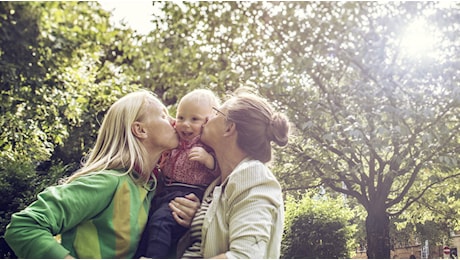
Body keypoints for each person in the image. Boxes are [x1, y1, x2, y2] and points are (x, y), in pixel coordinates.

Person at [4, 89, 200, 259]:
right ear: (140, 130)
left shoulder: (149, 188)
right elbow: (23, 226)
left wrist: (190, 219)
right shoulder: (108, 182)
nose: (175, 122)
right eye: (164, 115)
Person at [177, 87, 290, 258]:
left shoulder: (254, 176)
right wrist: (198, 217)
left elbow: (244, 257)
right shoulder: (218, 184)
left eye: (215, 113)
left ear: (229, 128)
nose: (207, 118)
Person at [135, 89, 221, 258]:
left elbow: (220, 171)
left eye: (194, 119)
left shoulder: (206, 145)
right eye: (181, 117)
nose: (185, 124)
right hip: (167, 191)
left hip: (188, 194)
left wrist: (209, 160)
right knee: (148, 225)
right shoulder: (175, 140)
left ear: (208, 121)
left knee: (161, 223)